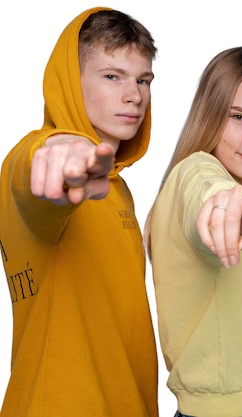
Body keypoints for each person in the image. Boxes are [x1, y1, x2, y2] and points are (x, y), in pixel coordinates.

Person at [0, 7, 158, 417]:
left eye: (142, 79)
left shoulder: (117, 188)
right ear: (71, 81)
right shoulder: (37, 157)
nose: (135, 95)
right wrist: (59, 151)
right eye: (112, 76)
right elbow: (36, 178)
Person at [145, 46, 242, 417]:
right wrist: (219, 206)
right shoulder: (197, 172)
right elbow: (206, 193)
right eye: (240, 117)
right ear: (210, 113)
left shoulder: (241, 199)